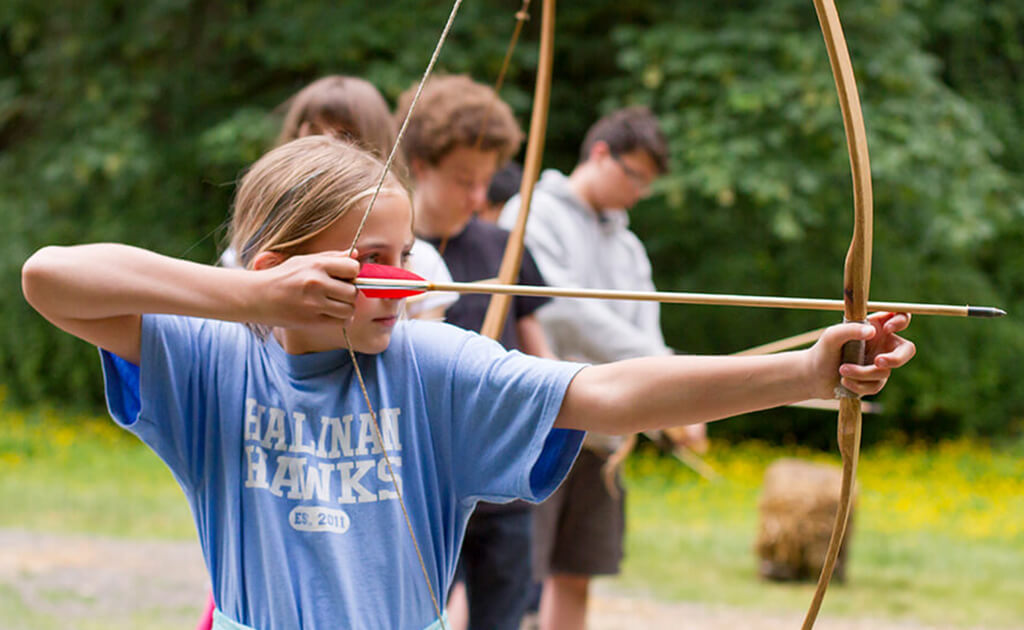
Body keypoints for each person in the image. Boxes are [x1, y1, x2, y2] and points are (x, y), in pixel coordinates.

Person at [21, 135, 915, 630]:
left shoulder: (431, 364)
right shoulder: (210, 360)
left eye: (405, 254)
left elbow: (613, 391)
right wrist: (246, 297)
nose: (405, 280)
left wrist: (802, 371)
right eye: (369, 261)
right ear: (281, 267)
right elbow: (50, 277)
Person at [496, 106, 691, 630]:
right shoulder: (531, 213)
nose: (637, 192)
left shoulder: (628, 245)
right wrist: (663, 369)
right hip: (542, 419)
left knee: (577, 571)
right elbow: (561, 309)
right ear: (601, 154)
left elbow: (645, 325)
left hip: (603, 434)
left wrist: (672, 395)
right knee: (517, 574)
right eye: (635, 177)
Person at [395, 74, 553, 630]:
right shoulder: (393, 252)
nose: (479, 197)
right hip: (421, 477)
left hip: (502, 481)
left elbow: (535, 345)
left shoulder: (498, 244)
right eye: (464, 179)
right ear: (419, 165)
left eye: (486, 180)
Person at [220, 74, 456, 321]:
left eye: (345, 137)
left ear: (375, 145)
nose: (324, 145)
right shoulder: (250, 248)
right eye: (310, 133)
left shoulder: (424, 260)